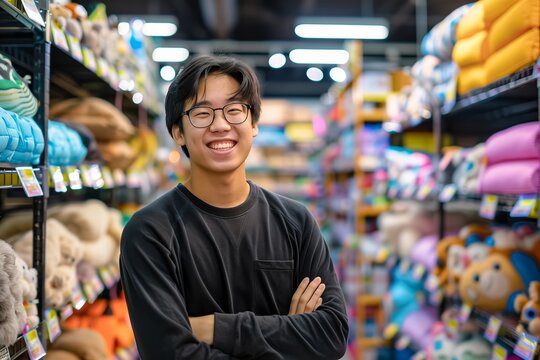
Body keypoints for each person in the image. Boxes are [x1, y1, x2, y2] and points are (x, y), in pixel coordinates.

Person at [120, 55, 349, 359]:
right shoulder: (150, 233)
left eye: (234, 110)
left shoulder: (296, 222)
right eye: (202, 113)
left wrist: (215, 328)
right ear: (177, 132)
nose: (220, 125)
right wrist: (289, 333)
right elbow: (169, 352)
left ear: (253, 123)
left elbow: (330, 334)